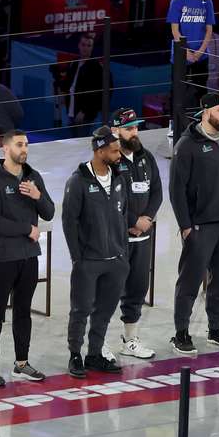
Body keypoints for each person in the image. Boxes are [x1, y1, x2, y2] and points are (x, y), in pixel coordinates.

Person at [169, 93, 219, 354]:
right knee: (190, 281)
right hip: (201, 226)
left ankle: (216, 329)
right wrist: (185, 226)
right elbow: (176, 189)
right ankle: (181, 332)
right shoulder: (187, 145)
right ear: (205, 112)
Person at [0, 130, 55, 385]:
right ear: (5, 149)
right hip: (1, 258)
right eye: (19, 145)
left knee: (23, 311)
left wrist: (38, 196)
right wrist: (27, 229)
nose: (24, 149)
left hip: (28, 257)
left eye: (26, 145)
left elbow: (50, 212)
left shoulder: (33, 177)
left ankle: (21, 363)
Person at [62, 126, 130, 377]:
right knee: (80, 310)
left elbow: (123, 215)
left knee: (104, 311)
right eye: (114, 150)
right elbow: (69, 221)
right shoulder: (78, 181)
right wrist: (77, 258)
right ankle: (75, 355)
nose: (118, 154)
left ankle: (95, 354)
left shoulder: (120, 178)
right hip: (88, 261)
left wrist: (122, 253)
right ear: (99, 151)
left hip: (116, 260)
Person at [110, 108, 161, 359]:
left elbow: (157, 192)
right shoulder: (109, 160)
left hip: (143, 238)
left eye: (136, 127)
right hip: (117, 240)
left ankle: (129, 340)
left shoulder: (146, 158)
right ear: (115, 131)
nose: (134, 132)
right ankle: (94, 345)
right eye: (129, 128)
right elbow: (109, 199)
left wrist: (147, 219)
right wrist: (132, 221)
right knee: (106, 292)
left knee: (137, 290)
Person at [167, 0, 214, 114]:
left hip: (201, 55)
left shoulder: (207, 2)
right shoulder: (177, 1)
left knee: (201, 91)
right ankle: (174, 125)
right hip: (181, 55)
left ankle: (203, 123)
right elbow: (175, 30)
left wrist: (200, 52)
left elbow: (209, 31)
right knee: (178, 92)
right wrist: (186, 51)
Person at [57, 34, 108, 137]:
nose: (85, 48)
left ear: (92, 47)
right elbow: (67, 83)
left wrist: (85, 111)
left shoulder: (96, 67)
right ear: (79, 45)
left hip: (85, 116)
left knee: (82, 144)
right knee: (73, 142)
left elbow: (96, 94)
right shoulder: (74, 63)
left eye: (89, 45)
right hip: (71, 112)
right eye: (83, 44)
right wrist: (62, 94)